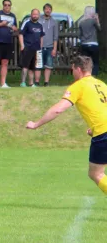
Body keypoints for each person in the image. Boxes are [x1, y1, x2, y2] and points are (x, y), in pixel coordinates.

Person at [26, 55, 107, 195]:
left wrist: (36, 124)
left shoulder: (78, 86)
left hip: (103, 134)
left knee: (96, 173)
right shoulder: (101, 84)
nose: (72, 72)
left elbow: (58, 109)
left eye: (73, 69)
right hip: (101, 130)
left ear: (79, 69)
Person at [18, 9, 45, 87]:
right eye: (33, 14)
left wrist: (41, 47)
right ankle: (23, 82)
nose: (35, 16)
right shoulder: (27, 23)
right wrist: (22, 45)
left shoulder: (40, 25)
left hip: (36, 49)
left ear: (39, 16)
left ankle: (31, 83)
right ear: (31, 14)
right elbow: (20, 34)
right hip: (27, 47)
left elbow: (41, 37)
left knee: (32, 67)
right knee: (25, 66)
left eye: (36, 14)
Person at [38, 3, 59, 86]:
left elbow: (55, 37)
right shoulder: (39, 20)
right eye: (46, 9)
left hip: (50, 47)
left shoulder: (54, 22)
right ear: (43, 10)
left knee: (48, 65)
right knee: (38, 65)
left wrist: (54, 49)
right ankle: (37, 82)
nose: (48, 10)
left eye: (49, 9)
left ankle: (46, 82)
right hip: (39, 46)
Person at [79, 6, 101, 76]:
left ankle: (85, 75)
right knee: (95, 62)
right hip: (93, 44)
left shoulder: (81, 22)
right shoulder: (93, 21)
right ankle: (94, 76)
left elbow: (79, 35)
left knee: (85, 62)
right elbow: (99, 29)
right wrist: (97, 19)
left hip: (84, 44)